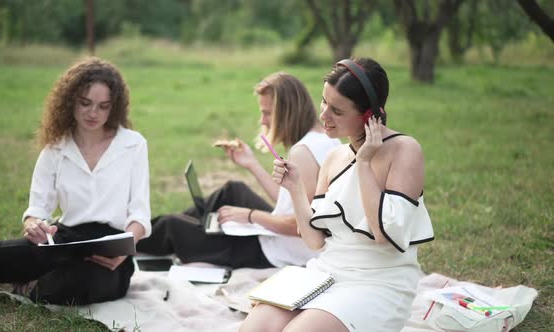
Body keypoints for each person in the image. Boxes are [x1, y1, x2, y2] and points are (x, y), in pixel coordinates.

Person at [240, 58, 435, 332]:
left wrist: (365, 163)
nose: (323, 116)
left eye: (337, 111)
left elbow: (384, 235)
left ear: (368, 116)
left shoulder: (404, 150)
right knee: (252, 329)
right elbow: (315, 241)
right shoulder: (334, 157)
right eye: (323, 102)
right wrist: (295, 189)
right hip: (326, 271)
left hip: (377, 282)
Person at [0, 57, 151, 305]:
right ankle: (14, 276)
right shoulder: (56, 149)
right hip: (63, 241)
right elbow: (37, 210)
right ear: (70, 100)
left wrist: (124, 250)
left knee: (74, 283)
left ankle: (21, 284)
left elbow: (139, 213)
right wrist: (33, 225)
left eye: (103, 106)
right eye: (85, 103)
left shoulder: (133, 144)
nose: (93, 113)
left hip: (109, 253)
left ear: (113, 107)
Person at [137, 72, 340, 269]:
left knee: (172, 226)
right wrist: (251, 163)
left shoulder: (303, 152)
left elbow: (301, 225)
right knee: (233, 190)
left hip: (274, 253)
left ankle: (124, 245)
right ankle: (199, 228)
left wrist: (251, 216)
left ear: (286, 112)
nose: (262, 120)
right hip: (283, 241)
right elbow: (291, 201)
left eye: (267, 113)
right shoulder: (324, 140)